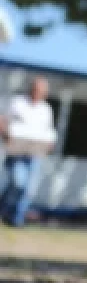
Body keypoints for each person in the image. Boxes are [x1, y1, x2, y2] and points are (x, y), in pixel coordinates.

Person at [0, 77, 58, 227]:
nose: (39, 93)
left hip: (35, 153)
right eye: (37, 89)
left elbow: (48, 130)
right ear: (31, 88)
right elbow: (3, 120)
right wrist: (5, 133)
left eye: (42, 91)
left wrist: (50, 143)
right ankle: (5, 210)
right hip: (16, 151)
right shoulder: (18, 102)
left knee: (28, 188)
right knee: (17, 182)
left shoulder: (46, 109)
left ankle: (16, 220)